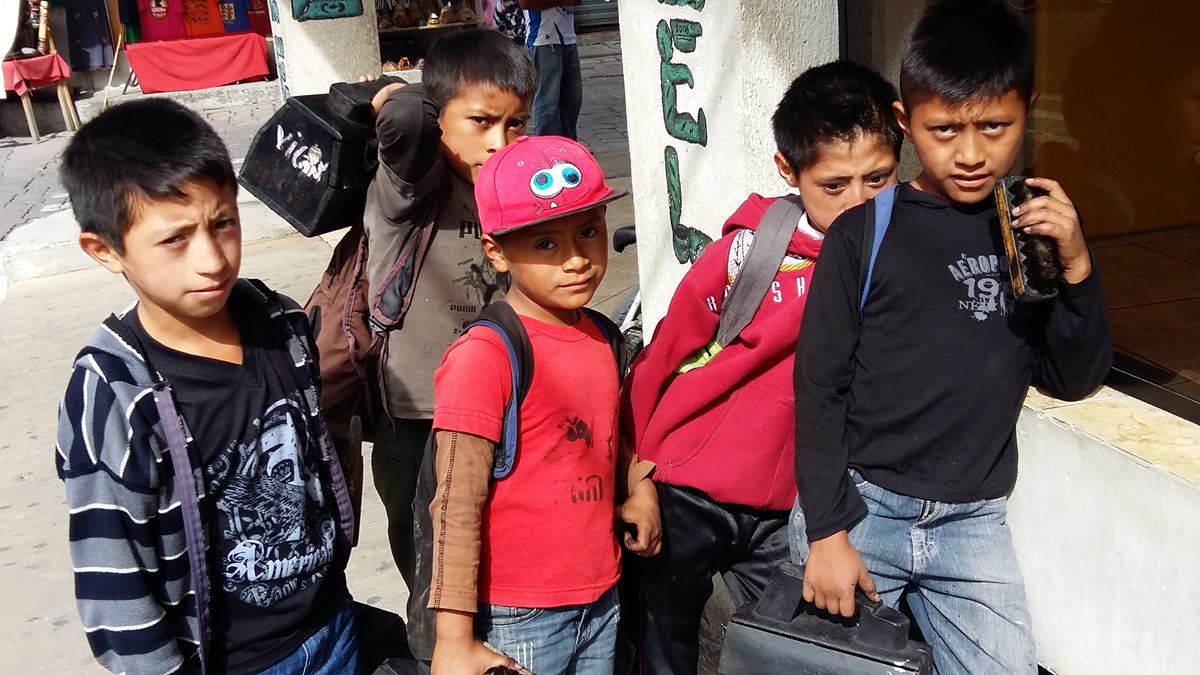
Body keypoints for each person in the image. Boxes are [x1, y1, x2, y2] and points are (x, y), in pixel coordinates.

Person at [791, 1, 1112, 673]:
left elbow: (1072, 375)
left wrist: (1078, 266)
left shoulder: (1028, 228)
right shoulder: (862, 234)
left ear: (1028, 110)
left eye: (994, 126)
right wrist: (825, 531)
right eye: (944, 130)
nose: (970, 153)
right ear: (905, 122)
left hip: (973, 522)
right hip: (861, 507)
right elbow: (818, 388)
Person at [55, 99, 358, 674]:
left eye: (223, 224)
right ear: (105, 250)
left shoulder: (282, 326)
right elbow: (115, 579)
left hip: (331, 628)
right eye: (175, 239)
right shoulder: (115, 392)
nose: (213, 260)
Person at [620, 60, 903, 674]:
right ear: (787, 170)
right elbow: (660, 358)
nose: (859, 202)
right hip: (686, 487)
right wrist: (635, 475)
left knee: (788, 649)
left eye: (877, 179)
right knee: (662, 645)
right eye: (834, 185)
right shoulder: (745, 256)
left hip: (792, 509)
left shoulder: (899, 257)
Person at [425, 135, 661, 675]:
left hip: (601, 594)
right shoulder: (485, 357)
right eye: (547, 244)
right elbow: (456, 503)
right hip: (519, 614)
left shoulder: (603, 336)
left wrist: (639, 484)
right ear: (496, 252)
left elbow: (607, 434)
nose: (576, 260)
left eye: (588, 232)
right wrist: (454, 639)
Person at [363, 28, 536, 589]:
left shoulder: (509, 189)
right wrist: (394, 92)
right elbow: (407, 118)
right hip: (419, 420)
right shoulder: (410, 188)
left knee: (495, 558)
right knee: (431, 575)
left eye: (516, 124)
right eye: (480, 122)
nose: (500, 143)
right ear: (439, 120)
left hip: (498, 407)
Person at [518, 0, 582, 138]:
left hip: (568, 40)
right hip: (543, 42)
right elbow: (526, 3)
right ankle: (549, 147)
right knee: (547, 106)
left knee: (572, 103)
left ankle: (567, 146)